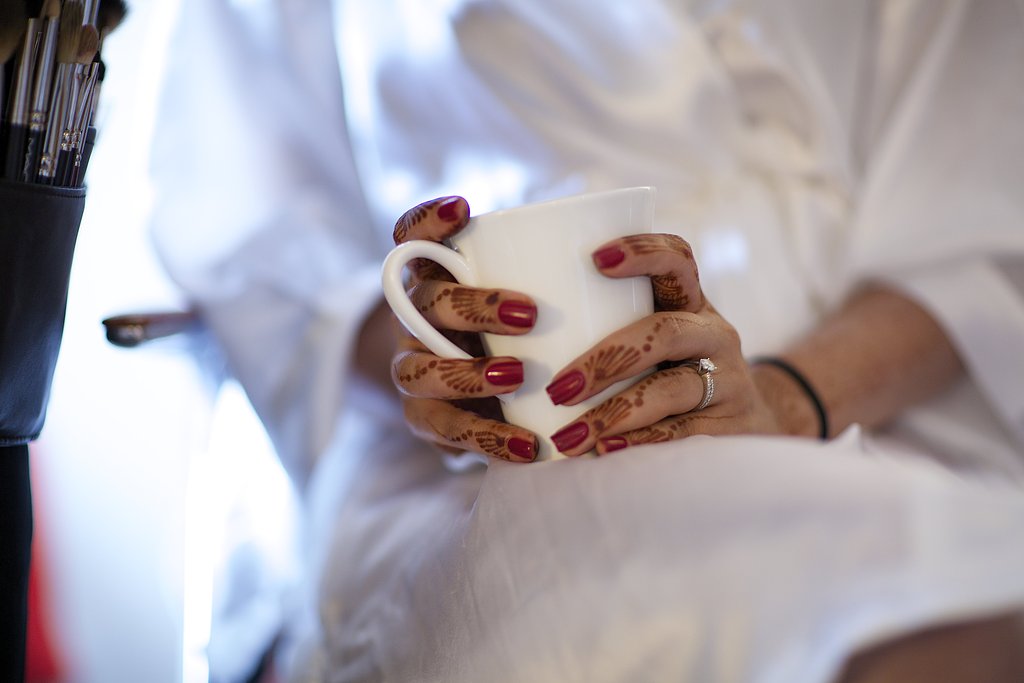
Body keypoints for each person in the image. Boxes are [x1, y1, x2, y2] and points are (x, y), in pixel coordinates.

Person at [149, 0, 1024, 680]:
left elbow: (981, 211)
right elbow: (260, 235)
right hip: (495, 462)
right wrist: (443, 351)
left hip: (896, 391)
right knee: (883, 613)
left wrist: (785, 399)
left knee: (968, 579)